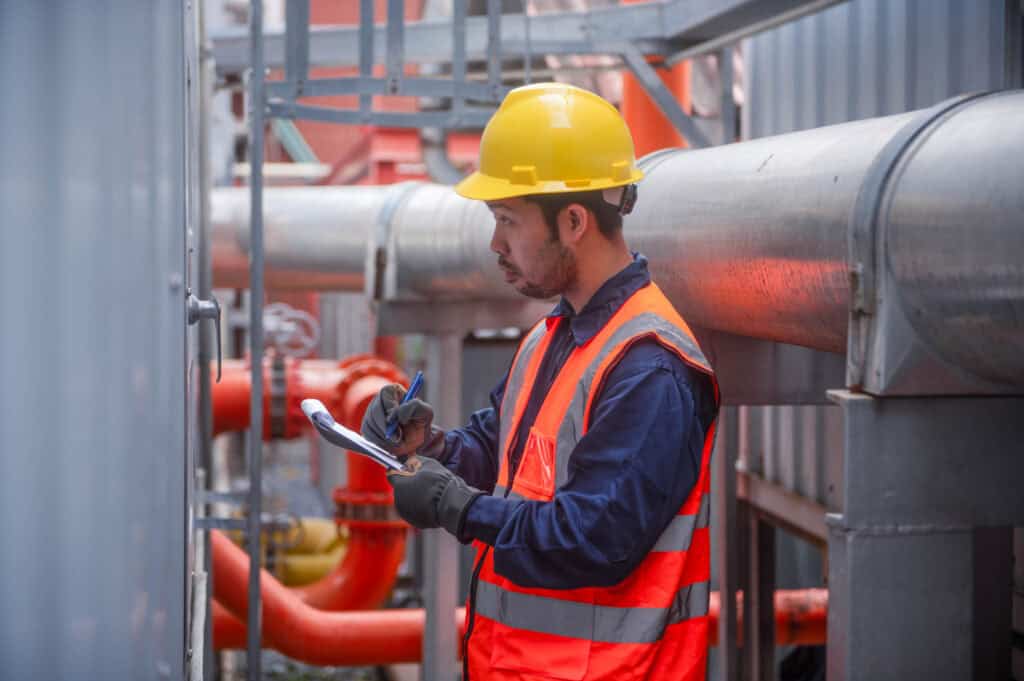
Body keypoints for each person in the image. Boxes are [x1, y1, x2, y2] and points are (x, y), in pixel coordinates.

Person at [362, 83, 720, 681]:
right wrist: (432, 448)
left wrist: (458, 508)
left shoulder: (649, 368)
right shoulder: (553, 336)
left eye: (507, 220)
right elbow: (501, 457)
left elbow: (593, 540)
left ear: (574, 220)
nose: (495, 243)